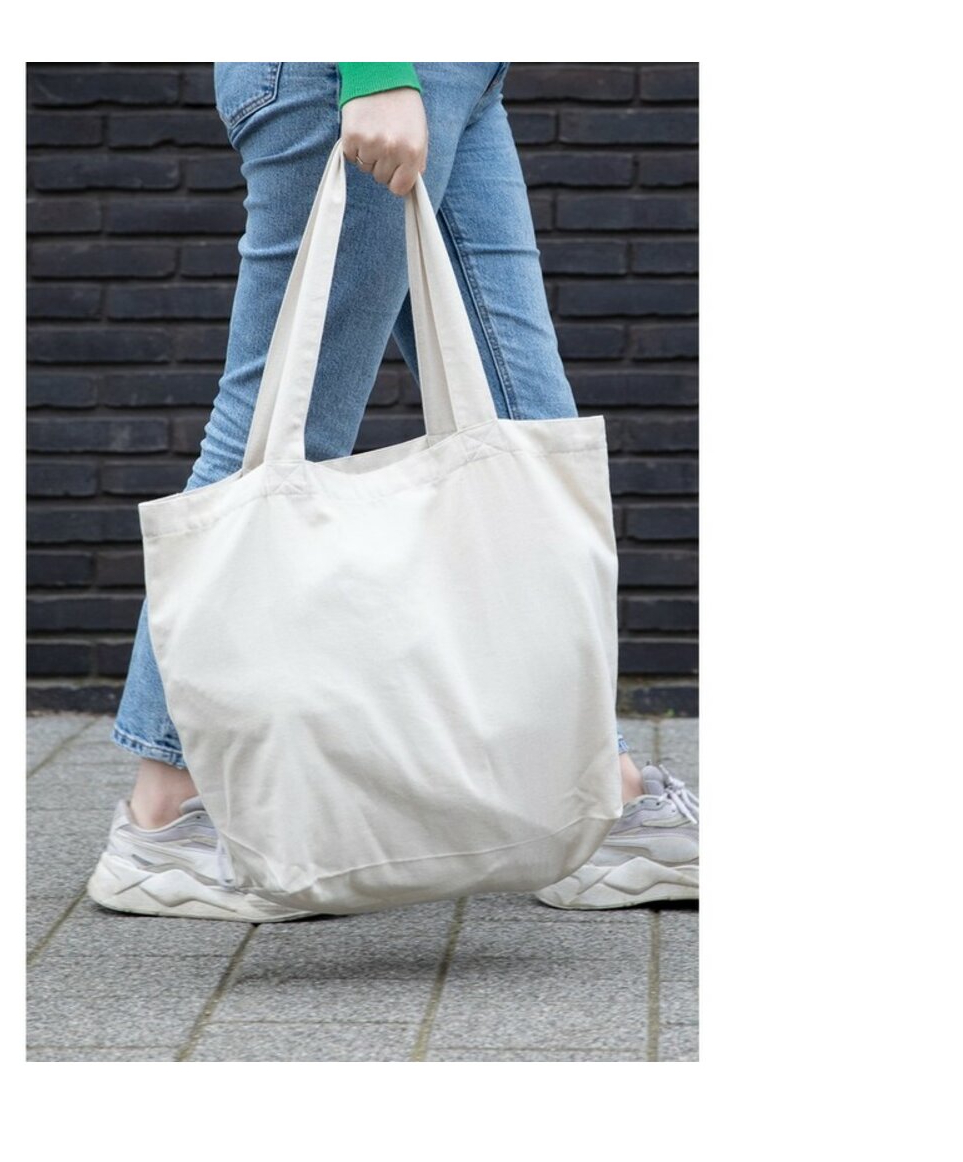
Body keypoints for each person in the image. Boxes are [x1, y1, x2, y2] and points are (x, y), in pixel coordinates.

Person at [85, 63, 699, 921]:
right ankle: (169, 810)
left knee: (527, 437)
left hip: (460, 67)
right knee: (277, 437)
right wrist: (374, 64)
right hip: (364, 67)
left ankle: (596, 793)